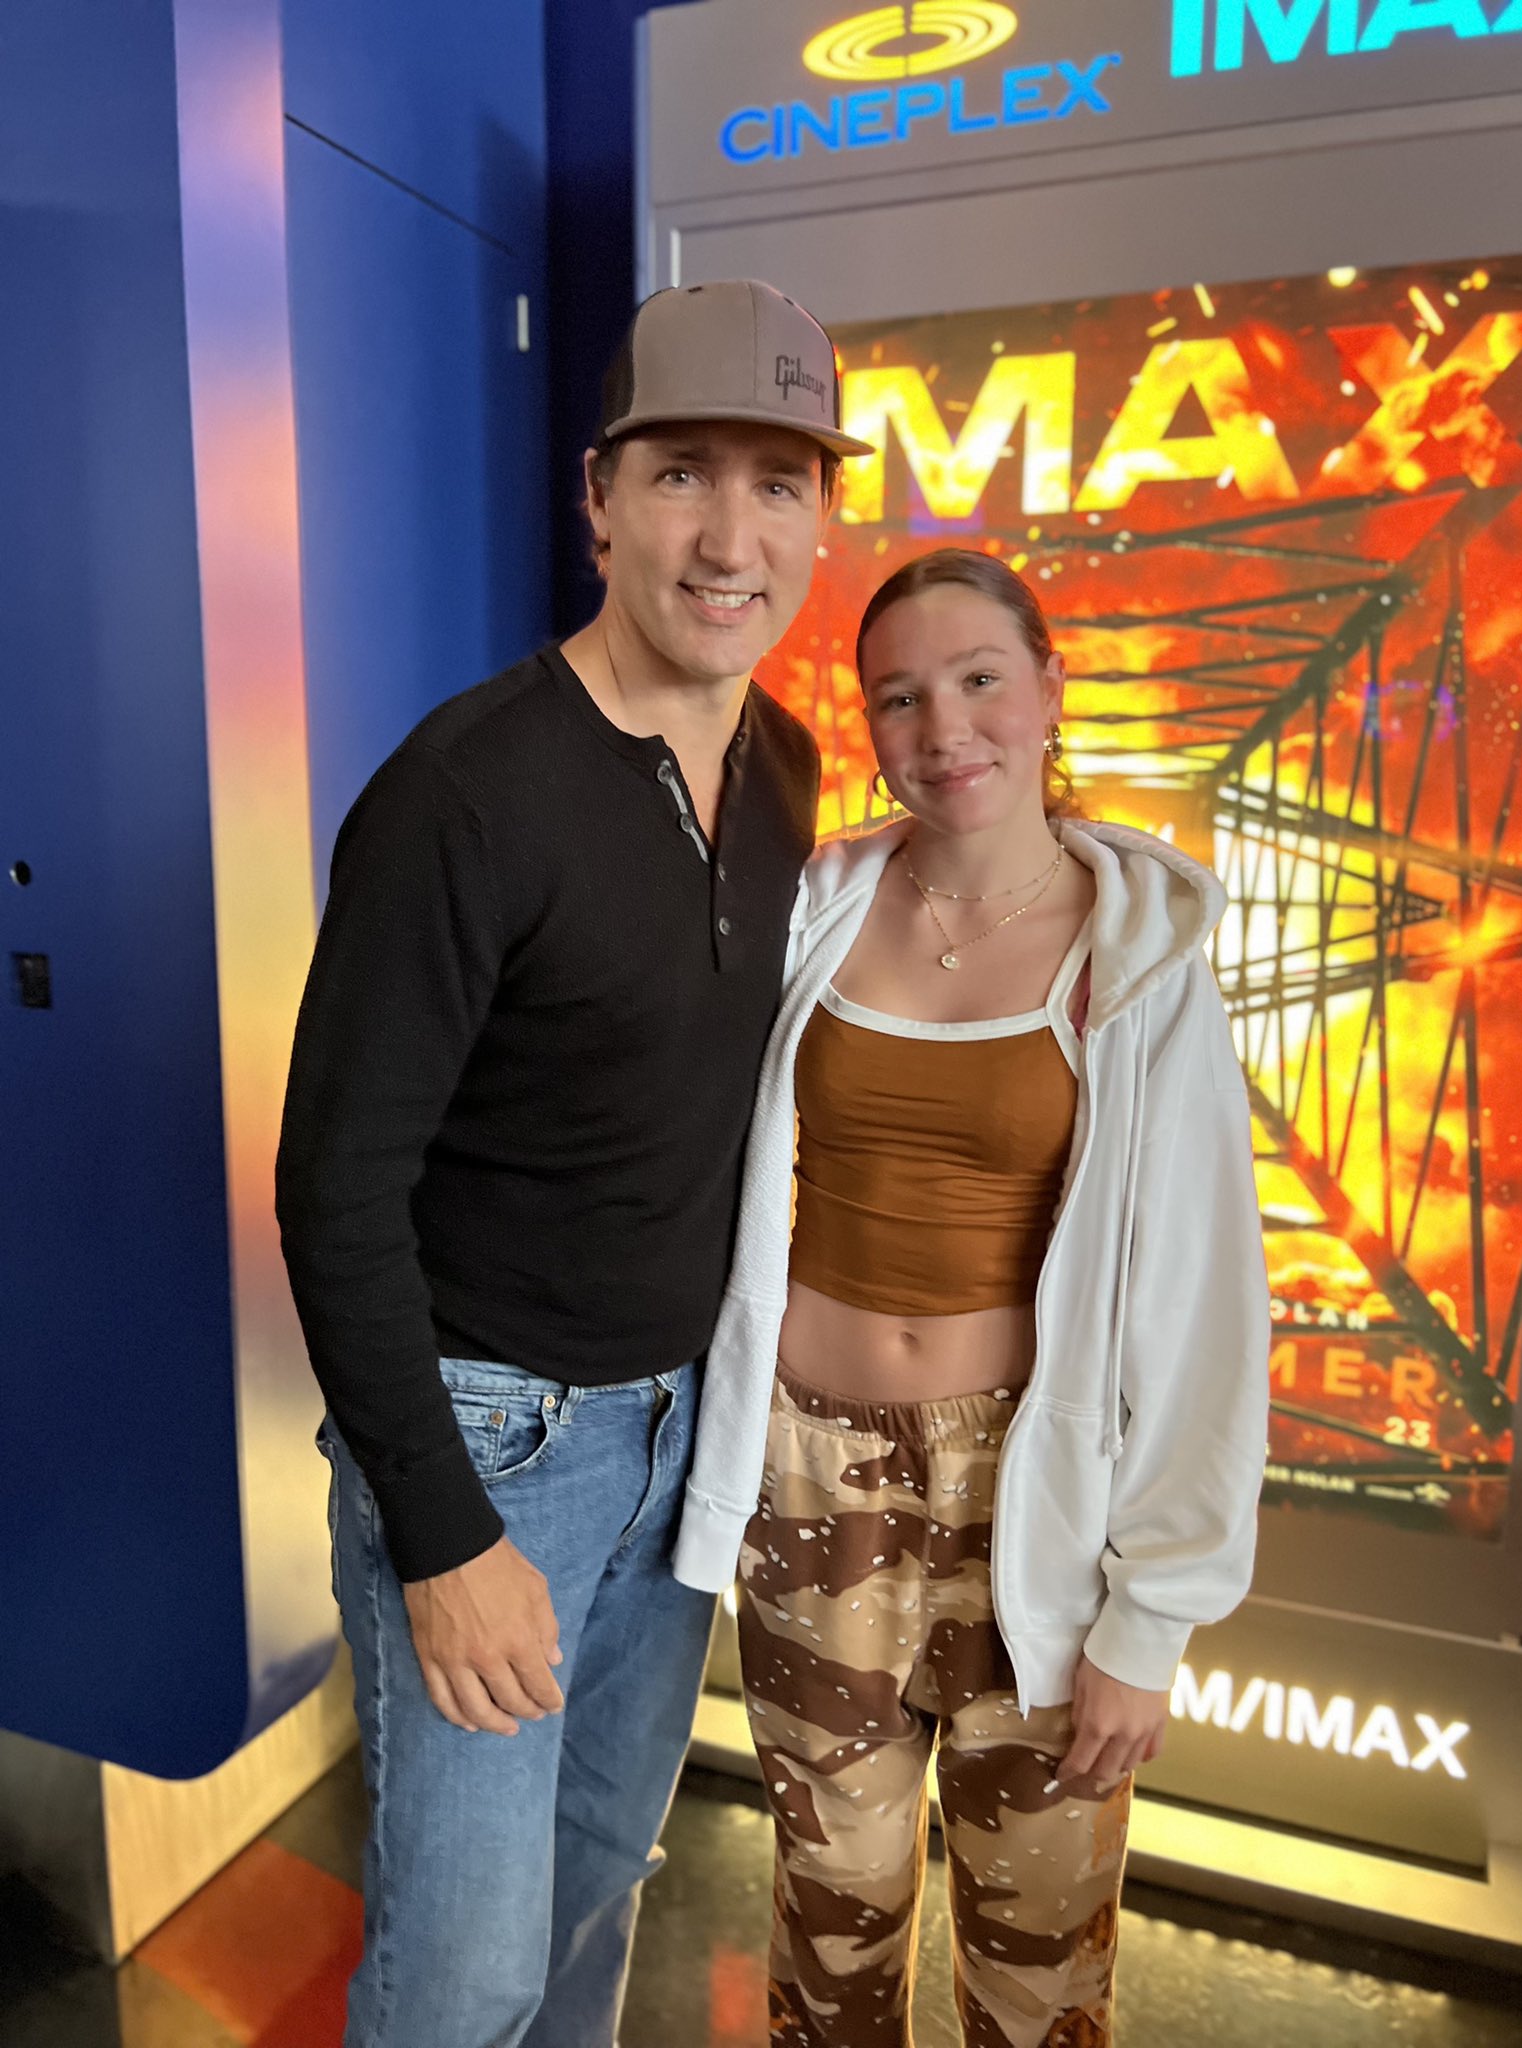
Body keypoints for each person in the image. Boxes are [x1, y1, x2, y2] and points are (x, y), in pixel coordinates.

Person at [275, 279, 874, 2048]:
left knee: (600, 1882)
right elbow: (334, 1190)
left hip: (678, 1439)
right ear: (599, 497)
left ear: (824, 523)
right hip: (485, 1449)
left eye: (780, 486)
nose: (731, 535)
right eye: (686, 473)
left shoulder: (784, 766)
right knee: (457, 1980)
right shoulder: (466, 794)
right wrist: (446, 1538)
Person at [674, 547, 1271, 2046]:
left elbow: (1203, 1301)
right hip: (813, 1483)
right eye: (901, 698)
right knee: (831, 1919)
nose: (944, 729)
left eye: (980, 680)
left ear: (1052, 687)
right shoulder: (813, 909)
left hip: (1038, 1500)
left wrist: (1156, 1618)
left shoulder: (1140, 958)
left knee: (1040, 1953)